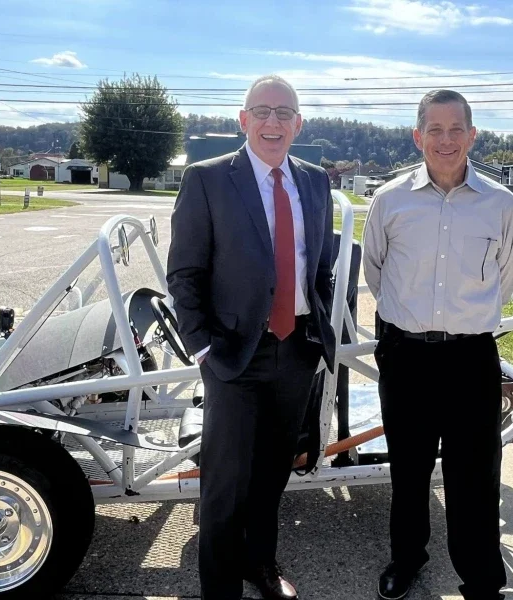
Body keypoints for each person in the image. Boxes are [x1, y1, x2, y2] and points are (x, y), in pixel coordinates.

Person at [166, 75, 336, 600]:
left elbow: (319, 265)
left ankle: (260, 565)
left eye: (284, 113)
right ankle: (220, 590)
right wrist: (202, 348)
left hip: (297, 350)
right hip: (233, 355)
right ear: (243, 120)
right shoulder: (209, 180)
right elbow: (185, 274)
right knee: (224, 485)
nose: (272, 122)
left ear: (298, 124)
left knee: (270, 476)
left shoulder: (314, 181)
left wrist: (318, 322)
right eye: (262, 112)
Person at [362, 89, 513, 600]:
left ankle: (481, 578)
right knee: (408, 469)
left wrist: (460, 319)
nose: (446, 139)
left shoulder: (501, 204)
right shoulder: (389, 201)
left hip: (470, 357)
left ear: (473, 135)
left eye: (457, 129)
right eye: (435, 129)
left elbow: (505, 276)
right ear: (418, 137)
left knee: (474, 474)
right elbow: (376, 272)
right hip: (405, 353)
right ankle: (406, 559)